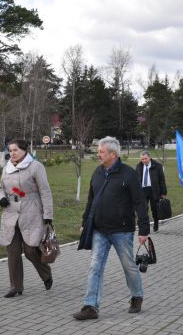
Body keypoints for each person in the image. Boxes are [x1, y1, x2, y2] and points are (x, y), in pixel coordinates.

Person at [73, 137, 149, 321]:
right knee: (95, 267)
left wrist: (144, 229)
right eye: (98, 151)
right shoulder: (97, 172)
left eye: (101, 151)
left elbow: (140, 202)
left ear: (113, 154)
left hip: (122, 230)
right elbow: (91, 200)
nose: (98, 154)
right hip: (99, 230)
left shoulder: (128, 174)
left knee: (128, 265)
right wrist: (85, 222)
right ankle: (91, 306)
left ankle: (137, 295)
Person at [0, 139, 54, 298]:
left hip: (31, 211)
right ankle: (15, 286)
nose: (12, 153)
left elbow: (45, 191)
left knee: (30, 250)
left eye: (15, 150)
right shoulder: (7, 168)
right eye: (10, 150)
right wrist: (2, 198)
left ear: (24, 150)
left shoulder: (36, 166)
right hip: (10, 212)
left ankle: (46, 274)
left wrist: (48, 215)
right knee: (13, 251)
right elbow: (1, 188)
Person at [135, 151, 167, 232]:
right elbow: (135, 179)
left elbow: (162, 180)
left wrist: (163, 193)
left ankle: (156, 223)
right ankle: (144, 226)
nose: (144, 160)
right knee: (143, 209)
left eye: (145, 159)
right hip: (142, 191)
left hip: (154, 190)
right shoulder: (138, 166)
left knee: (154, 209)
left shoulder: (157, 166)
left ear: (149, 158)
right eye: (142, 159)